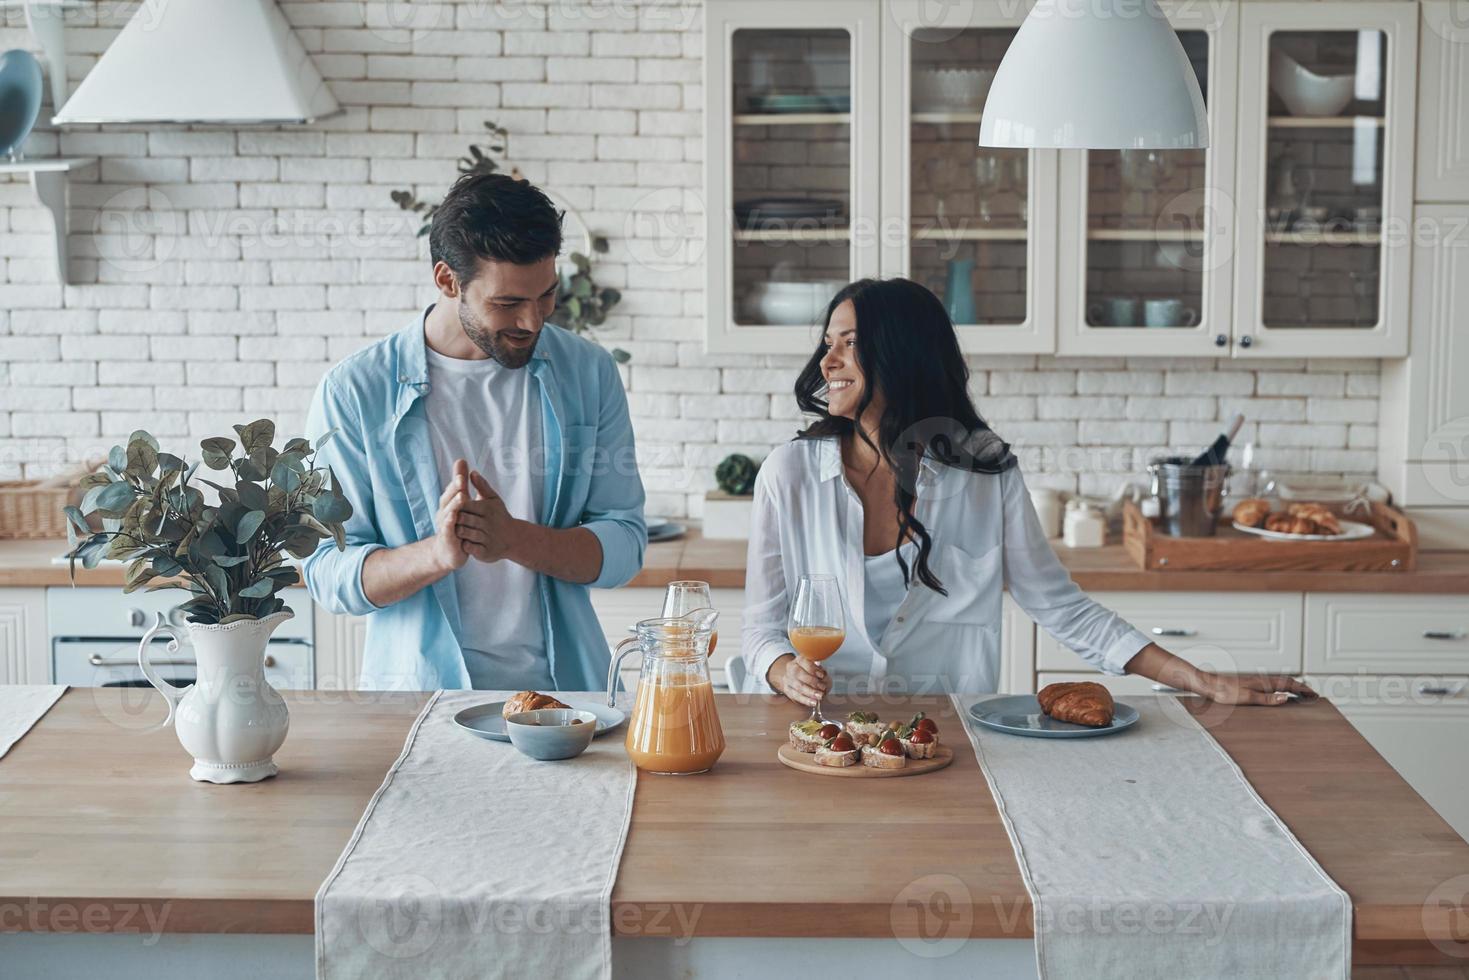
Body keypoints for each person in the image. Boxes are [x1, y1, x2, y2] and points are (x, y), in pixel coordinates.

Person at [743, 277, 1315, 706]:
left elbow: (1061, 607)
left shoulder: (983, 474)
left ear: (902, 355)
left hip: (947, 742)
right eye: (827, 343)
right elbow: (761, 629)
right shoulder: (789, 475)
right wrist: (781, 668)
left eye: (849, 342)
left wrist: (1202, 680)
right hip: (817, 737)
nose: (828, 360)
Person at [303, 173, 646, 691]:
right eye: (508, 303)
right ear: (447, 280)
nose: (532, 322)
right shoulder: (354, 393)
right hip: (416, 706)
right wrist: (436, 555)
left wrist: (515, 540)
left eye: (547, 296)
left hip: (569, 700)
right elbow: (326, 572)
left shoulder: (589, 372)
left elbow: (625, 544)